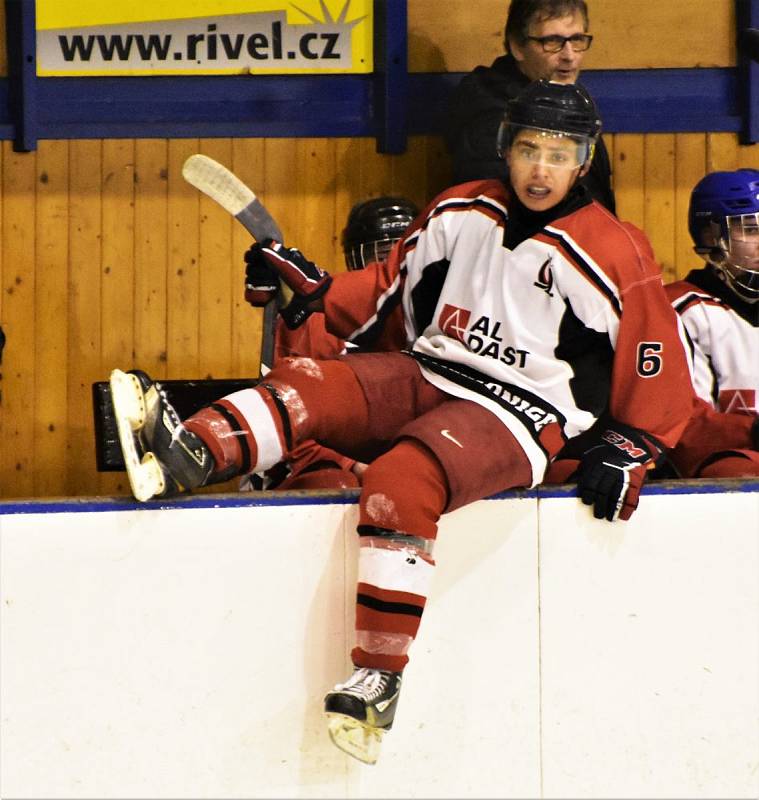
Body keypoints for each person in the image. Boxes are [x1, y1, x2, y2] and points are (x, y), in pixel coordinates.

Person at [109, 80, 693, 764]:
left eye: (559, 153)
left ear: (583, 160)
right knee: (308, 388)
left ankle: (379, 677)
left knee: (400, 478)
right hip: (429, 368)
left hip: (521, 411)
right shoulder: (459, 207)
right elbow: (381, 288)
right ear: (507, 146)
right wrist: (312, 297)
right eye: (529, 148)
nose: (541, 167)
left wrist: (638, 443)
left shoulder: (613, 249)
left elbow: (651, 352)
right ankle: (194, 454)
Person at [241, 195, 419, 490]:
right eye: (381, 254)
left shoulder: (438, 319)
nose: (389, 267)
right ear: (355, 257)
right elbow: (291, 421)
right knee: (334, 483)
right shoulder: (315, 322)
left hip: (408, 459)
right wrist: (354, 466)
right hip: (325, 464)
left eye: (401, 256)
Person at [445, 0, 616, 214]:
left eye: (577, 39)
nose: (569, 56)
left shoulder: (570, 101)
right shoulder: (491, 117)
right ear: (517, 46)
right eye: (553, 41)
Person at [662, 170, 759, 478]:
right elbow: (685, 427)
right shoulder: (679, 308)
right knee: (736, 469)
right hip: (718, 467)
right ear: (709, 235)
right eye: (751, 229)